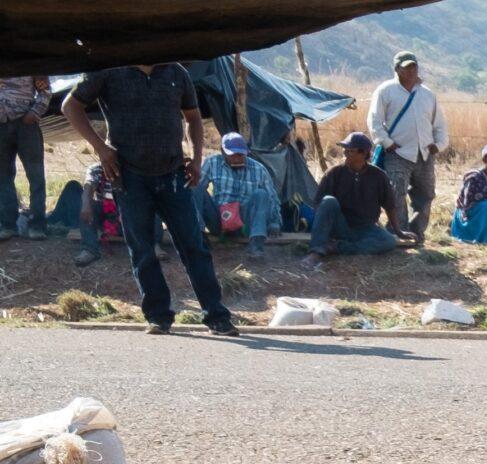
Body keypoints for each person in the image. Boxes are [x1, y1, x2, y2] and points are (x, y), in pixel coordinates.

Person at [62, 65, 239, 336]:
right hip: (129, 175)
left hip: (173, 174)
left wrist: (197, 158)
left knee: (194, 246)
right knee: (142, 249)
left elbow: (192, 117)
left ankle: (216, 316)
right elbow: (70, 106)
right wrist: (102, 149)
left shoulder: (176, 72)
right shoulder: (109, 70)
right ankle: (158, 316)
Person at [368, 51, 448, 241]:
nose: (412, 70)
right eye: (407, 67)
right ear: (397, 69)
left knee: (426, 194)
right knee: (396, 193)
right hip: (397, 152)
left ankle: (417, 233)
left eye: (414, 66)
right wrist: (387, 143)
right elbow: (374, 121)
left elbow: (440, 124)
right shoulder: (385, 91)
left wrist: (439, 145)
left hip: (425, 153)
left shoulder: (427, 94)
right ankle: (398, 232)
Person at [308, 132, 403, 257]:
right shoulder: (334, 173)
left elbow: (390, 206)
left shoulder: (379, 176)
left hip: (365, 229)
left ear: (363, 153)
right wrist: (322, 230)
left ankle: (338, 247)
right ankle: (316, 251)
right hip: (339, 226)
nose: (345, 154)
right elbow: (319, 205)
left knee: (388, 241)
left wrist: (398, 231)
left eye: (350, 151)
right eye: (345, 150)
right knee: (328, 201)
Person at [197, 132, 281, 257]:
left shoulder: (259, 169)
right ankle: (198, 238)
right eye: (233, 155)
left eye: (240, 155)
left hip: (244, 222)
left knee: (261, 194)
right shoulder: (212, 163)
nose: (237, 158)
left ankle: (256, 246)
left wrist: (275, 222)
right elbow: (196, 194)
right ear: (223, 152)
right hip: (219, 218)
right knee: (195, 188)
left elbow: (272, 197)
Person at [0, 74, 46, 241]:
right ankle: (8, 225)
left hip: (26, 124)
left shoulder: (27, 61)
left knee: (36, 177)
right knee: (3, 178)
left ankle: (37, 226)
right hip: (1, 125)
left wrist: (34, 112)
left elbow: (45, 90)